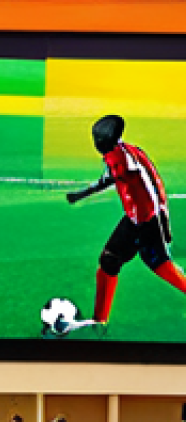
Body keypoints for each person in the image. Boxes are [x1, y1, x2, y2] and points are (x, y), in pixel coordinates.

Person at [66, 114, 186, 325]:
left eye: (98, 140)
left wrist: (163, 221)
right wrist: (81, 195)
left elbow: (152, 186)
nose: (96, 144)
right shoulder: (122, 153)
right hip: (134, 220)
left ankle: (99, 320)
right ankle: (99, 322)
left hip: (147, 222)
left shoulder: (124, 159)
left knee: (161, 267)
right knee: (109, 260)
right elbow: (110, 178)